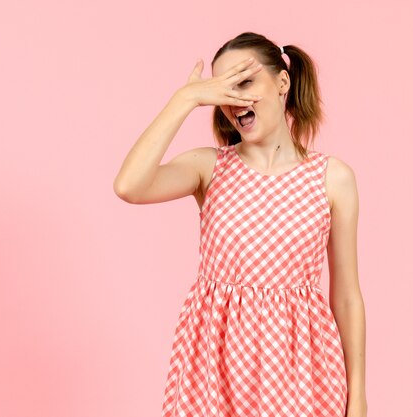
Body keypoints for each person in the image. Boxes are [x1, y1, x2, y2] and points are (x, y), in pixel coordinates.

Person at [113, 31, 367, 417]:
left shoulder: (333, 178)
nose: (235, 99)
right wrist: (186, 99)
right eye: (223, 88)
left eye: (245, 81)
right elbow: (129, 186)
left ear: (282, 82)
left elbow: (347, 297)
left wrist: (358, 395)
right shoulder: (210, 168)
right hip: (214, 368)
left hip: (300, 370)